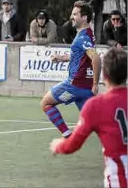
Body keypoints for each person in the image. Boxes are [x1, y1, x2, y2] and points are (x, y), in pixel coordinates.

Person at [50, 47, 127, 188]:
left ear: (104, 75)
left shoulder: (96, 106)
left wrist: (58, 146)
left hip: (118, 180)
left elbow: (73, 144)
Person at [40, 0, 101, 138]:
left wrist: (96, 83)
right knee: (95, 122)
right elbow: (81, 56)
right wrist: (61, 58)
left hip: (74, 85)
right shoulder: (88, 33)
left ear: (84, 18)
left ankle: (67, 135)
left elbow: (96, 58)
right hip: (85, 87)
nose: (71, 17)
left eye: (75, 14)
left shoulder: (82, 37)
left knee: (46, 103)